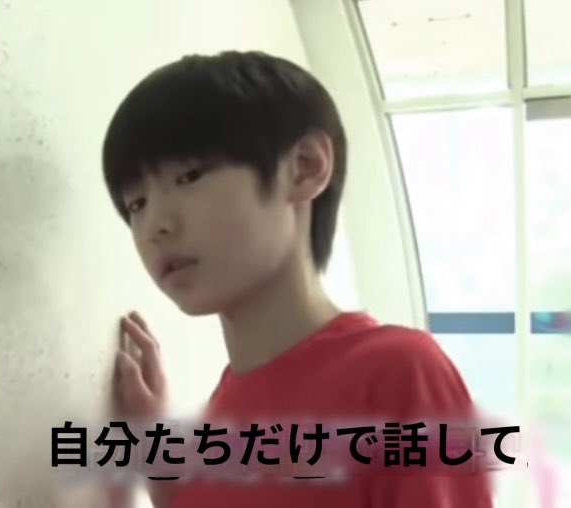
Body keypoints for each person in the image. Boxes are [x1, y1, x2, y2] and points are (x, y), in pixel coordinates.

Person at [99, 50, 493, 508]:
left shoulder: (397, 372)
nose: (155, 226)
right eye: (136, 203)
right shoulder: (221, 414)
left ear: (305, 167)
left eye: (189, 175)